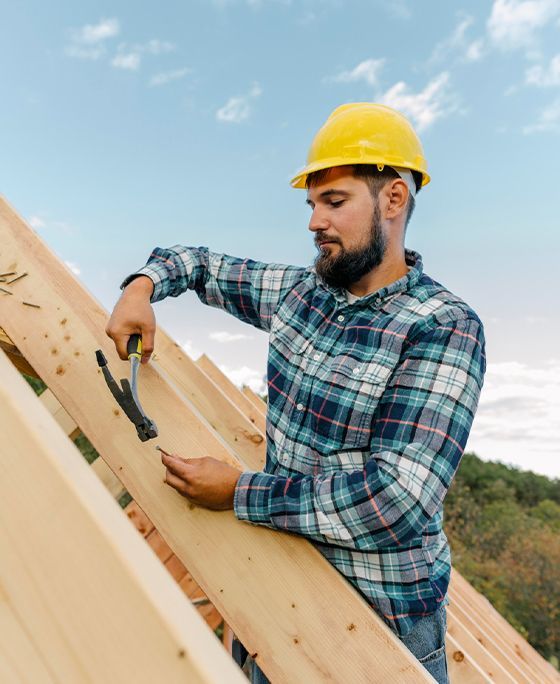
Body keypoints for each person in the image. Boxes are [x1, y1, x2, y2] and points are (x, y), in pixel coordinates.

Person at [106, 103, 486, 683]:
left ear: (393, 200)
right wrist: (141, 287)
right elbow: (200, 263)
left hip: (378, 623)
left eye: (334, 202)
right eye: (311, 205)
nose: (314, 222)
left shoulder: (441, 325)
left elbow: (395, 503)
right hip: (278, 581)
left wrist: (239, 492)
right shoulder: (300, 293)